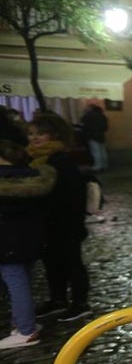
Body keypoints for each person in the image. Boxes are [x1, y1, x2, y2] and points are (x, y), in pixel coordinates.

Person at [28, 112, 92, 323]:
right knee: (51, 263)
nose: (35, 138)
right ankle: (58, 299)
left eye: (41, 133)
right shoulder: (34, 159)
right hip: (45, 222)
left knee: (72, 263)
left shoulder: (61, 160)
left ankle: (80, 303)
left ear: (54, 135)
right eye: (31, 133)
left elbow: (74, 195)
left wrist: (72, 222)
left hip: (64, 223)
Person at [0, 141, 56, 349]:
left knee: (16, 283)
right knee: (23, 280)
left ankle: (26, 330)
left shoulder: (4, 180)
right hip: (31, 238)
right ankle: (21, 323)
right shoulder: (34, 176)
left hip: (6, 241)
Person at [79, 103, 109, 172]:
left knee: (95, 152)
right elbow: (105, 127)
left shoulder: (88, 115)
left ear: (91, 109)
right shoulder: (103, 116)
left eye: (87, 108)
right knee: (102, 151)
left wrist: (84, 113)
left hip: (92, 135)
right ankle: (104, 165)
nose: (86, 108)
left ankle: (98, 166)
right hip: (101, 135)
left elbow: (82, 123)